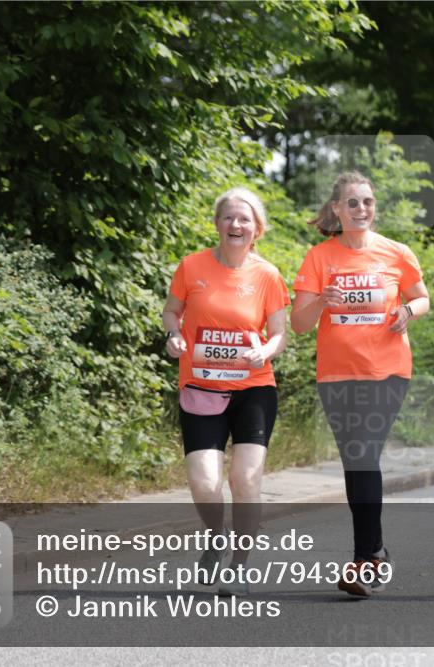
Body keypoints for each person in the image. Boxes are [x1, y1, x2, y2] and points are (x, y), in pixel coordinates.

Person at [290, 171, 430, 597]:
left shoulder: (395, 252)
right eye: (353, 203)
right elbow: (298, 324)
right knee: (356, 462)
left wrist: (409, 311)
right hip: (336, 374)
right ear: (337, 209)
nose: (361, 209)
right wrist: (320, 300)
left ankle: (364, 559)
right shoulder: (319, 257)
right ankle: (375, 552)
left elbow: (421, 297)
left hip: (386, 370)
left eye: (367, 202)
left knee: (364, 455)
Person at [162, 187, 290, 596]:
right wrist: (173, 335)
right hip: (200, 386)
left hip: (253, 389)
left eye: (244, 219)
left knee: (246, 478)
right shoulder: (191, 266)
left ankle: (240, 564)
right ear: (217, 224)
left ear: (258, 229)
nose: (236, 225)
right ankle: (217, 536)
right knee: (203, 481)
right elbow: (171, 312)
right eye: (229, 218)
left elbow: (279, 334)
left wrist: (264, 350)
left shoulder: (267, 275)